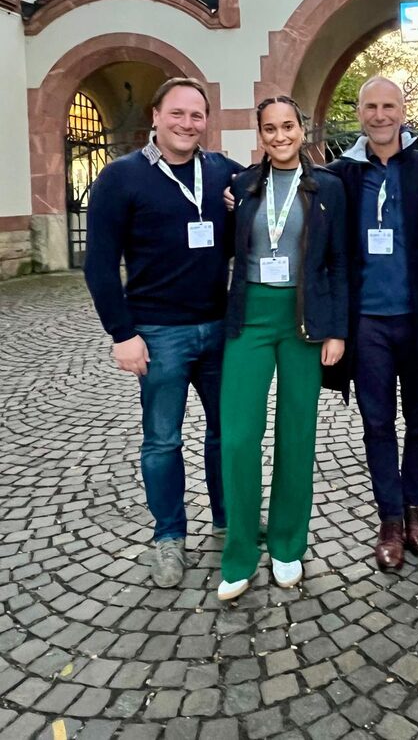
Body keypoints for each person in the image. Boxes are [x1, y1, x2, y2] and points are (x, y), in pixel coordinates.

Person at [85, 77, 241, 588]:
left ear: (206, 122)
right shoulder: (120, 178)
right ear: (156, 115)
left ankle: (228, 521)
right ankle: (169, 537)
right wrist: (121, 333)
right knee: (161, 440)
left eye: (197, 116)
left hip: (219, 329)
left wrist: (244, 206)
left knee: (226, 434)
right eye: (177, 113)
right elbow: (100, 265)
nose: (187, 123)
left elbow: (273, 197)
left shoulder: (221, 171)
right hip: (157, 333)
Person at [217, 95, 347, 601]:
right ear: (260, 134)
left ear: (301, 129)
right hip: (250, 318)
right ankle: (241, 553)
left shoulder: (328, 187)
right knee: (239, 437)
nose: (279, 136)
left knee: (298, 433)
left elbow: (337, 261)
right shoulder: (243, 185)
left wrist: (336, 330)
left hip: (304, 323)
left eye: (287, 126)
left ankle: (289, 544)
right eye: (269, 129)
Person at [329, 77, 418, 571]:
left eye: (389, 106)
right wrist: (234, 196)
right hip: (367, 323)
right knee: (377, 423)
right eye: (371, 107)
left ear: (404, 111)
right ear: (360, 113)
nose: (380, 115)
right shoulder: (341, 174)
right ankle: (390, 520)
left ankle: (417, 510)